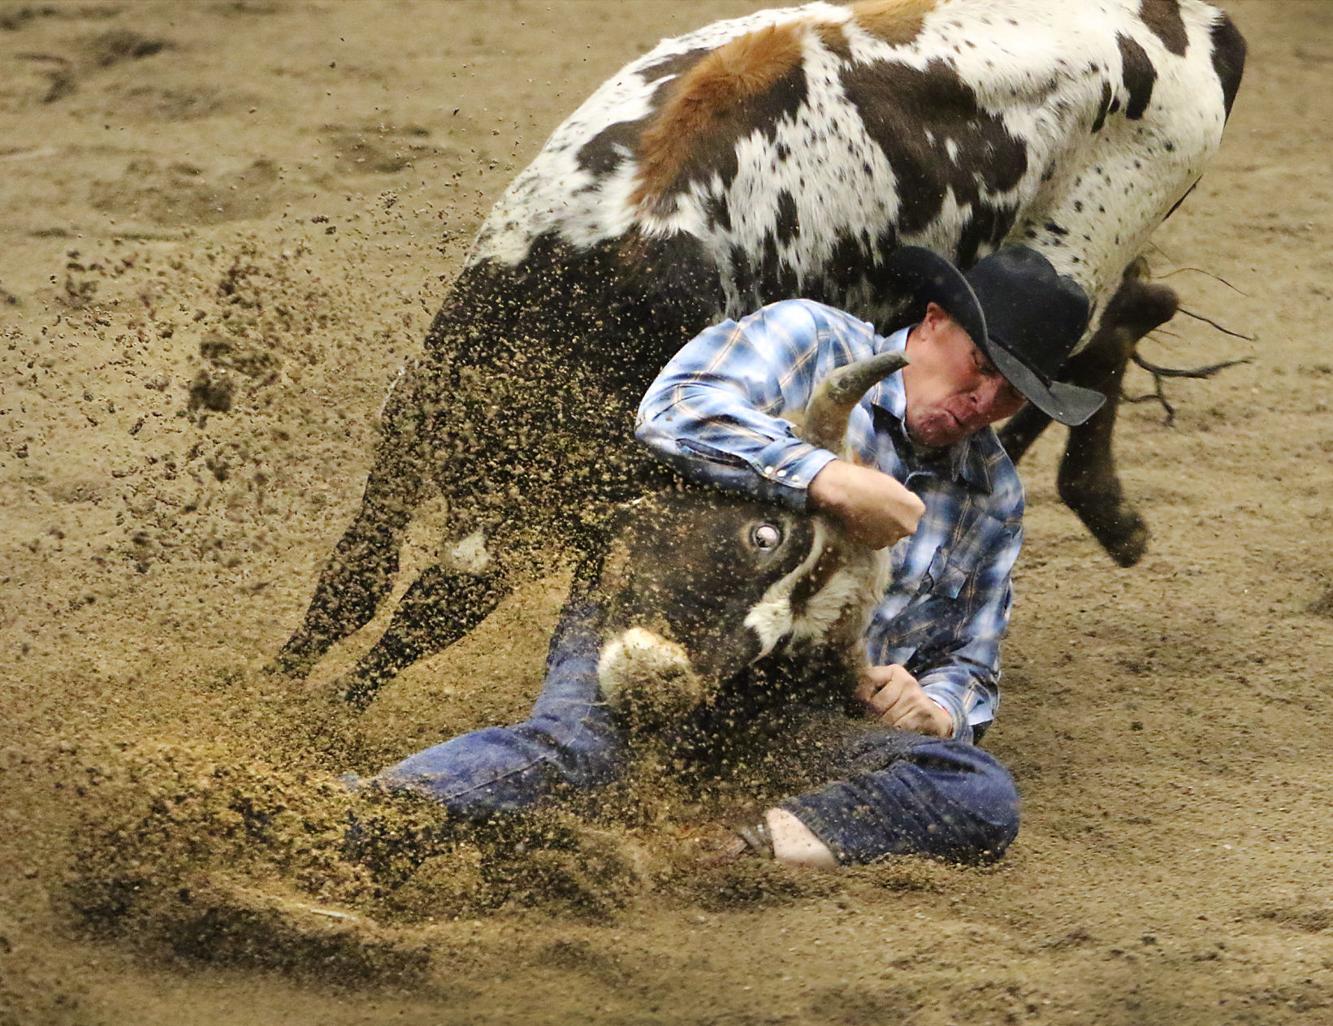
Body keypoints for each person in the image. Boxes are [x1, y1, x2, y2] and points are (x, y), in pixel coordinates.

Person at [355, 245, 1100, 869]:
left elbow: (970, 662)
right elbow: (675, 410)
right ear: (934, 321)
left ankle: (724, 850)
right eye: (979, 366)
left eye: (1010, 395)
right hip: (663, 627)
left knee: (975, 792)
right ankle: (341, 821)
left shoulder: (991, 495)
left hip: (800, 705)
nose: (983, 400)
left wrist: (937, 707)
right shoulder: (811, 338)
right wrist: (825, 477)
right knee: (581, 753)